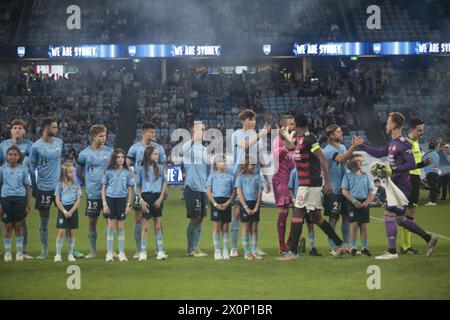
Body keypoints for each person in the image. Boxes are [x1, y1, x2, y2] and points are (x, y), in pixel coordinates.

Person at [357, 112, 438, 260]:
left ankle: (392, 252)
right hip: (396, 186)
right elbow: (380, 152)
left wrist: (392, 170)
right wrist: (361, 145)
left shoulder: (402, 143)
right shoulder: (394, 143)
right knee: (400, 219)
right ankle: (428, 238)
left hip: (401, 187)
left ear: (394, 125)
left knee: (388, 215)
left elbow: (411, 164)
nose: (386, 125)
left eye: (388, 122)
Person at [277, 113, 351, 261]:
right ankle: (341, 244)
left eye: (293, 124)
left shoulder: (310, 139)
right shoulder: (301, 139)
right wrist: (284, 136)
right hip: (308, 184)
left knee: (297, 214)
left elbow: (322, 159)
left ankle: (292, 252)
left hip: (309, 183)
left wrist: (327, 182)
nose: (291, 127)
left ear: (297, 126)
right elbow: (291, 146)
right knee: (316, 217)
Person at [230, 109, 271, 258]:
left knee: (255, 213)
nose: (252, 122)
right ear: (242, 121)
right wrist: (261, 134)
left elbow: (260, 157)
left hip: (254, 177)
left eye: (254, 119)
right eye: (249, 119)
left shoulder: (256, 136)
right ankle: (234, 247)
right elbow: (245, 146)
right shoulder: (236, 134)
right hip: (239, 175)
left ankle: (254, 246)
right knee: (237, 212)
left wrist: (266, 177)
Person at [127, 122, 167, 259]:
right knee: (138, 218)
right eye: (151, 132)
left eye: (155, 133)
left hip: (156, 190)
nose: (154, 135)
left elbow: (163, 166)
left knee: (157, 220)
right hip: (142, 190)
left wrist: (164, 190)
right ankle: (140, 250)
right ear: (143, 133)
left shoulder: (159, 148)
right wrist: (134, 177)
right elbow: (127, 164)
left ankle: (159, 249)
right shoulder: (134, 148)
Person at [77, 124, 113, 259]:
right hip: (92, 193)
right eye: (101, 136)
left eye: (105, 135)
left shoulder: (110, 151)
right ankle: (93, 251)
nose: (104, 138)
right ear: (93, 137)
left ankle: (110, 250)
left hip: (108, 193)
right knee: (92, 222)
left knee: (109, 221)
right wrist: (88, 183)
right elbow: (79, 172)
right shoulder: (84, 154)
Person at [29, 118, 63, 259]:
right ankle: (44, 250)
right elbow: (32, 168)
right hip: (43, 187)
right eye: (54, 127)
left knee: (66, 217)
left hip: (59, 187)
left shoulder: (59, 142)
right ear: (45, 128)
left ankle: (71, 250)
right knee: (44, 220)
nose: (57, 129)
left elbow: (59, 162)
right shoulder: (36, 147)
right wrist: (35, 187)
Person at [322, 124, 359, 254]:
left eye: (341, 131)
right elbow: (342, 159)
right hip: (333, 189)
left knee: (346, 218)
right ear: (331, 135)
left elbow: (347, 164)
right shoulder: (327, 150)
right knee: (333, 218)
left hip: (344, 190)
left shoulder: (343, 147)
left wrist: (356, 162)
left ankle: (347, 245)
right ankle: (333, 247)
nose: (341, 133)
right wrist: (353, 146)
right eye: (338, 132)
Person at [0, 119, 33, 259]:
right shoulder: (3, 145)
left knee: (21, 222)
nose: (18, 130)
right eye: (15, 127)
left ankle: (22, 251)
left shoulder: (30, 145)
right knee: (7, 224)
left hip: (21, 188)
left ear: (24, 131)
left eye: (20, 128)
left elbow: (32, 164)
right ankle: (6, 251)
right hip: (6, 191)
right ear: (11, 130)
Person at [179, 121, 209, 257]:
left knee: (201, 218)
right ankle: (190, 249)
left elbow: (207, 169)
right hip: (192, 187)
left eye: (204, 130)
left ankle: (196, 247)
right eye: (200, 130)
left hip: (203, 189)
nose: (203, 132)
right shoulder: (188, 146)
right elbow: (180, 153)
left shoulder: (204, 149)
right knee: (195, 218)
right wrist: (193, 138)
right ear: (193, 131)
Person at [402, 119, 432, 255]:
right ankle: (406, 246)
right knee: (408, 213)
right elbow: (408, 164)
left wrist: (419, 180)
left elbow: (415, 164)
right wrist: (423, 165)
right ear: (411, 130)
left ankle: (406, 246)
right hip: (408, 178)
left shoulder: (415, 142)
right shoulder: (406, 143)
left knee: (409, 213)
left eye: (422, 129)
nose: (422, 132)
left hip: (414, 178)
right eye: (419, 130)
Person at [135, 146, 168, 261]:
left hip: (157, 197)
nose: (157, 156)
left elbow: (164, 182)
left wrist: (160, 198)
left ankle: (160, 251)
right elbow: (137, 185)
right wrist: (141, 200)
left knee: (158, 225)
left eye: (157, 154)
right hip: (146, 197)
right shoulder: (141, 168)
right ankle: (143, 252)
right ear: (148, 155)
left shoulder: (160, 167)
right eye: (155, 154)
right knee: (145, 226)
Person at [102, 149, 133, 262]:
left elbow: (130, 190)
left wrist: (128, 205)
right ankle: (109, 253)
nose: (120, 159)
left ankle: (121, 253)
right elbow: (103, 189)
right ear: (114, 159)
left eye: (122, 157)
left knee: (120, 227)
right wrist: (105, 204)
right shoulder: (109, 172)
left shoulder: (127, 173)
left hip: (122, 201)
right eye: (118, 157)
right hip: (110, 200)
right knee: (110, 227)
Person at [272, 115, 296, 254]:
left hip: (296, 178)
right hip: (281, 178)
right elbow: (277, 157)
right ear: (283, 127)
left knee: (298, 211)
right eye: (291, 124)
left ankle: (291, 242)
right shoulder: (278, 140)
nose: (293, 126)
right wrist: (287, 145)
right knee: (284, 211)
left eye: (294, 123)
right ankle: (282, 245)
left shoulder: (296, 139)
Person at [341, 153, 373, 256]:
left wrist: (366, 202)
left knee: (363, 226)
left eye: (361, 161)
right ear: (353, 162)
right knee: (353, 225)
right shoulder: (347, 176)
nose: (361, 163)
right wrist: (354, 201)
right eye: (358, 161)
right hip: (352, 203)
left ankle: (364, 248)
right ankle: (353, 247)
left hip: (364, 203)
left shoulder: (365, 175)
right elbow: (344, 191)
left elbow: (370, 191)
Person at [206, 154, 236, 260]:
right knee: (217, 227)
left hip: (226, 202)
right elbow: (208, 191)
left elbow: (234, 192)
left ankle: (225, 250)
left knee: (225, 227)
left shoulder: (230, 176)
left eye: (224, 161)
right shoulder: (212, 176)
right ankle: (217, 250)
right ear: (216, 165)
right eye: (221, 161)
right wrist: (215, 204)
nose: (223, 163)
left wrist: (228, 203)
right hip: (216, 201)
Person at [235, 157, 263, 260]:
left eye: (255, 164)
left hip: (255, 204)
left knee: (254, 228)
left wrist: (256, 206)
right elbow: (240, 193)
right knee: (246, 228)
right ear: (246, 166)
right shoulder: (240, 178)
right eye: (251, 164)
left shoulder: (258, 177)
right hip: (245, 204)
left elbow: (260, 192)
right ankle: (247, 252)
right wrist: (246, 207)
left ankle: (254, 250)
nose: (254, 166)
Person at [288, 168, 320, 256]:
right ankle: (296, 247)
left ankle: (312, 248)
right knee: (297, 226)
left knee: (311, 225)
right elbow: (290, 188)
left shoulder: (311, 171)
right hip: (299, 203)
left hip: (309, 202)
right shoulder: (294, 171)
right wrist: (294, 199)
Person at [54, 163, 82, 262]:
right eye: (70, 172)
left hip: (73, 210)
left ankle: (70, 254)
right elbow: (57, 200)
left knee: (71, 232)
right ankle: (58, 255)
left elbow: (78, 200)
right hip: (63, 210)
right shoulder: (59, 185)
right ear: (64, 173)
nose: (72, 173)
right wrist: (65, 211)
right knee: (61, 232)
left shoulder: (76, 185)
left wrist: (71, 211)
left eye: (73, 171)